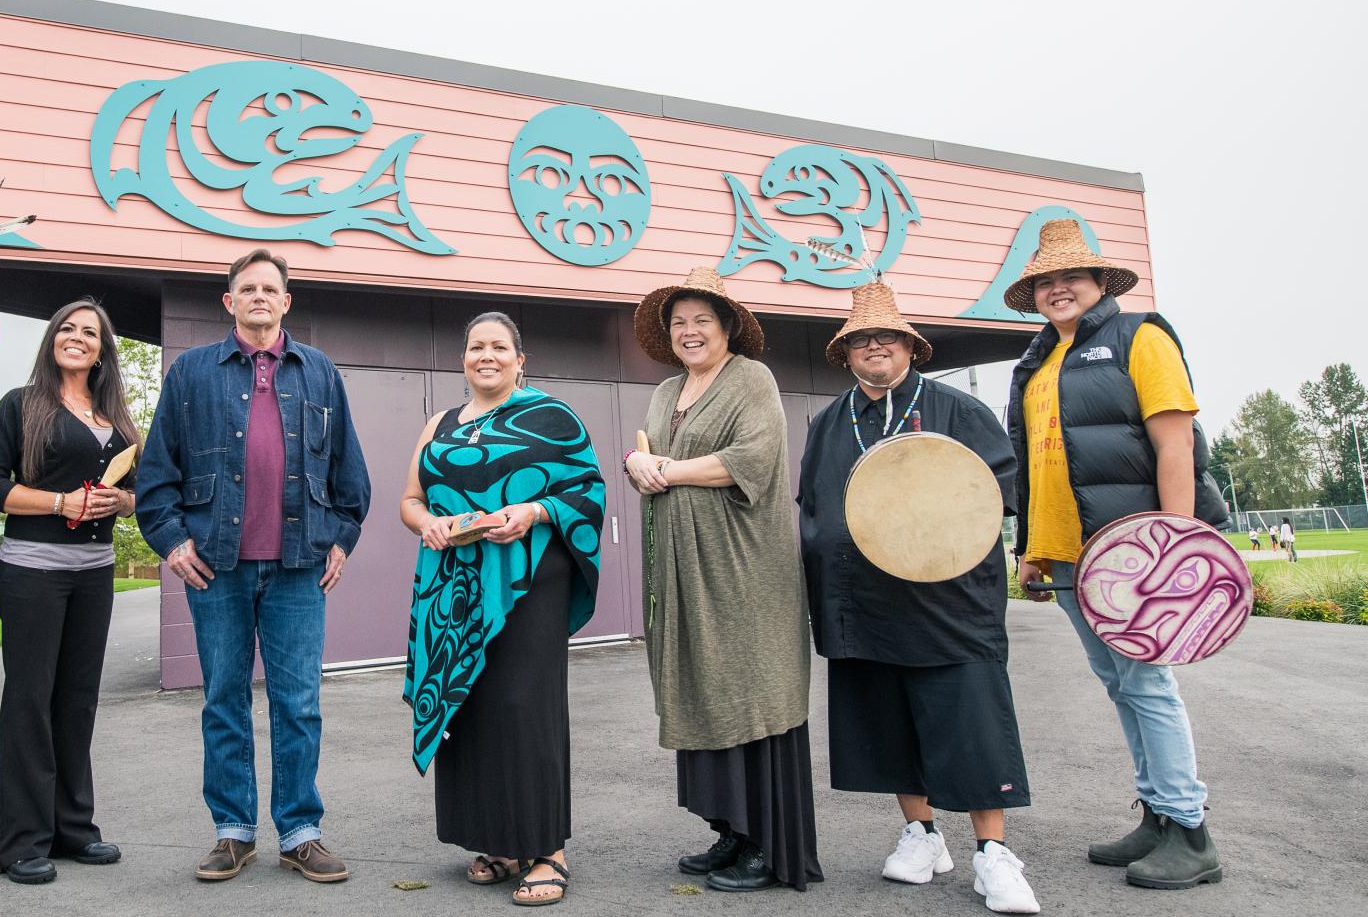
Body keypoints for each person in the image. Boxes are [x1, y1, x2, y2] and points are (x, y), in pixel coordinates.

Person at [797, 281, 1038, 914]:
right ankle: (922, 833)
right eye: (861, 339)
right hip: (862, 605)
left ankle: (992, 852)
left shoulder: (959, 411)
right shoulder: (827, 424)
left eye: (887, 336)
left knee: (970, 723)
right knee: (887, 721)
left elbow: (997, 498)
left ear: (910, 346)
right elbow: (813, 509)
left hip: (949, 604)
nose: (874, 346)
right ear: (846, 353)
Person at [135, 248, 372, 883]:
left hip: (299, 568)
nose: (260, 296)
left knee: (299, 703)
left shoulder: (319, 372)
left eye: (271, 288)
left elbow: (350, 473)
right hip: (217, 567)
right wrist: (171, 541)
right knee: (224, 699)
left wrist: (342, 538)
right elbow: (157, 474)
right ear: (229, 301)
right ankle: (233, 831)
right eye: (248, 288)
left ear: (286, 301)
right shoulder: (191, 373)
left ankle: (300, 832)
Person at [1007, 219, 1230, 890]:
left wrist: (1176, 544)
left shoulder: (1141, 338)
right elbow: (1034, 466)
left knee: (1148, 683)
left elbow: (1174, 448)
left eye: (1070, 275)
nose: (1057, 288)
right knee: (1120, 683)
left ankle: (1191, 833)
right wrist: (1029, 550)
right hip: (1072, 557)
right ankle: (1157, 815)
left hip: (1136, 552)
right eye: (1045, 280)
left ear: (1100, 281)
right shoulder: (1038, 362)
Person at [625, 266, 822, 893]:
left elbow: (752, 460)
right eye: (678, 322)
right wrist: (636, 465)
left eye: (701, 321)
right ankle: (730, 829)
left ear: (727, 326)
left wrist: (666, 469)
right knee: (703, 690)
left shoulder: (752, 380)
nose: (689, 332)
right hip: (682, 573)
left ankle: (768, 843)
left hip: (743, 575)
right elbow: (649, 458)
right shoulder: (664, 392)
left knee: (750, 689)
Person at [399, 312, 606, 907]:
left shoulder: (552, 416)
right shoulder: (439, 423)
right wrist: (431, 524)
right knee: (473, 704)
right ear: (463, 357)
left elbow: (585, 489)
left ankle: (547, 850)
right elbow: (410, 500)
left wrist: (533, 513)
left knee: (524, 703)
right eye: (475, 347)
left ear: (521, 358)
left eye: (498, 347)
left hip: (527, 578)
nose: (485, 355)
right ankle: (497, 839)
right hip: (454, 585)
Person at [0, 298, 139, 884]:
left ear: (102, 349)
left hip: (94, 572)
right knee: (30, 701)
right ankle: (20, 842)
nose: (77, 338)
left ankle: (73, 829)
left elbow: (146, 493)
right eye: (67, 328)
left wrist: (124, 500)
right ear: (51, 341)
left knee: (76, 700)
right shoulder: (22, 406)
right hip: (31, 570)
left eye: (90, 332)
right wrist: (60, 502)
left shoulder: (116, 418)